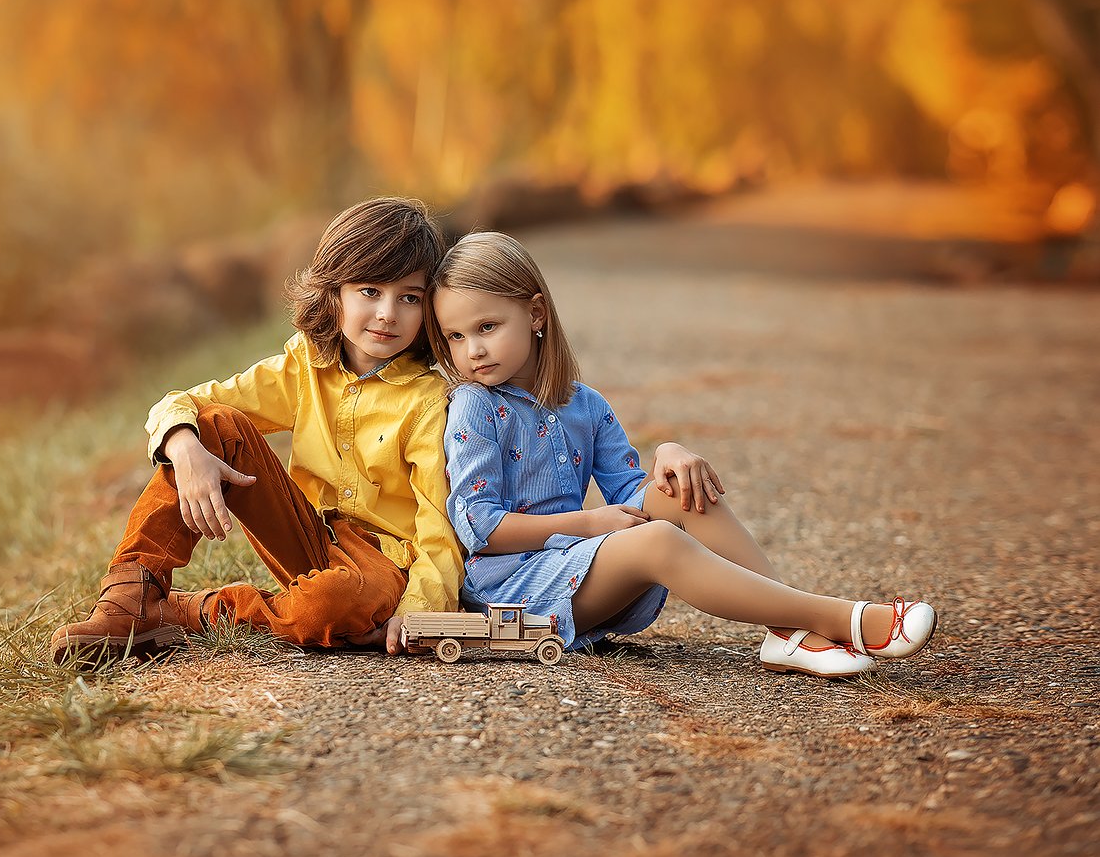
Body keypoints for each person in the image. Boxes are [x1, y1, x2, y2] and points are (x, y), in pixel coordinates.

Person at [428, 231, 937, 678]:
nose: (472, 350)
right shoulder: (474, 406)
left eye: (487, 327)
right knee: (658, 541)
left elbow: (632, 495)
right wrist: (587, 524)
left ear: (536, 313)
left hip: (581, 569)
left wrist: (669, 454)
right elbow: (479, 526)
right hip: (517, 590)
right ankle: (839, 618)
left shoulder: (582, 403)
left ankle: (787, 633)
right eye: (455, 336)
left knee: (683, 494)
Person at [50, 197, 462, 665]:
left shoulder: (428, 400)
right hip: (309, 537)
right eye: (370, 291)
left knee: (329, 608)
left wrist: (418, 613)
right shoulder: (305, 364)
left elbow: (437, 522)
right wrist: (183, 445)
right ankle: (130, 598)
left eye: (408, 297)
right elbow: (188, 402)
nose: (388, 313)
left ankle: (192, 613)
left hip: (384, 564)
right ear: (334, 292)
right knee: (213, 424)